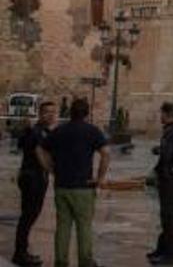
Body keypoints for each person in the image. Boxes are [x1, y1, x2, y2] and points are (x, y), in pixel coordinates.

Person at [37, 99, 109, 267]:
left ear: (70, 112)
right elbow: (106, 153)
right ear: (87, 113)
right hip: (83, 187)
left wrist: (50, 168)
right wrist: (100, 178)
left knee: (63, 226)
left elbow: (40, 149)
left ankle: (61, 260)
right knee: (83, 226)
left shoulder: (59, 131)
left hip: (62, 186)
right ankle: (85, 260)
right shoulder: (92, 131)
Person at [13, 101, 58, 267]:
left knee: (29, 216)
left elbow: (20, 144)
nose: (51, 115)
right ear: (40, 113)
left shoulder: (41, 131)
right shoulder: (37, 132)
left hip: (33, 176)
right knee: (28, 216)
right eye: (47, 112)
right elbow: (39, 155)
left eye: (54, 112)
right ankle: (20, 254)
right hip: (33, 178)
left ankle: (22, 251)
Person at [148, 102, 173, 265]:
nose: (160, 117)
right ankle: (162, 249)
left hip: (169, 178)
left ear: (166, 114)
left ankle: (169, 255)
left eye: (161, 113)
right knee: (168, 215)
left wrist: (157, 171)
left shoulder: (170, 133)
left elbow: (167, 157)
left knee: (168, 216)